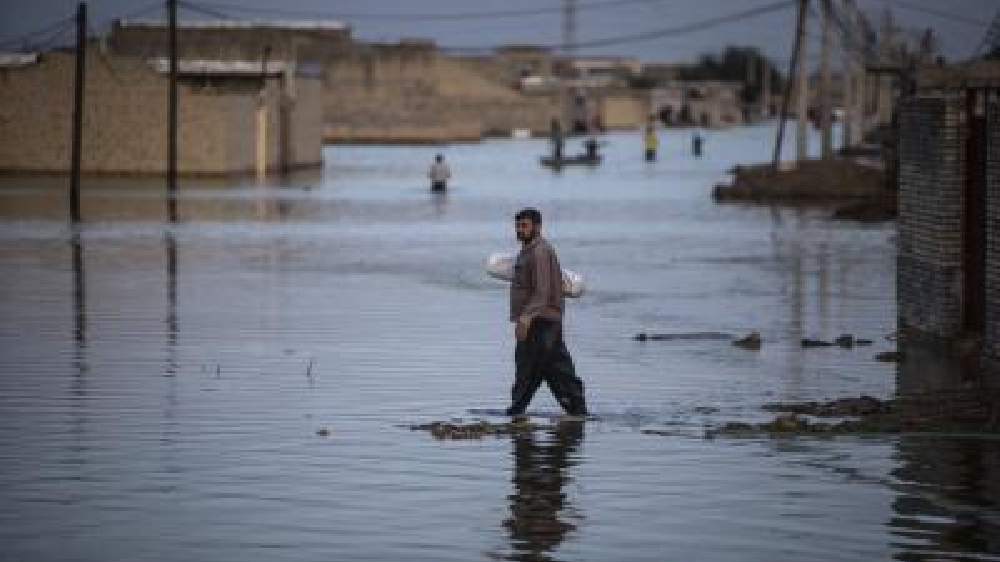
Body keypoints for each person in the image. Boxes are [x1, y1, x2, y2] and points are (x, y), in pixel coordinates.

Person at [507, 208, 588, 417]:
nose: (519, 230)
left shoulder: (540, 252)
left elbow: (542, 291)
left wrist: (525, 318)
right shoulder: (528, 251)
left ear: (538, 226)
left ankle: (577, 413)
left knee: (551, 370)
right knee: (533, 369)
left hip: (542, 323)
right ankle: (517, 412)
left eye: (524, 226)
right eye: (517, 226)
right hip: (537, 322)